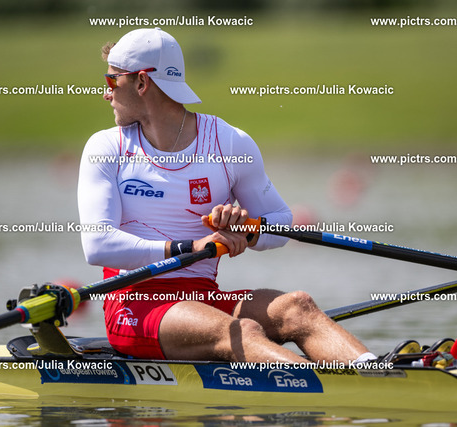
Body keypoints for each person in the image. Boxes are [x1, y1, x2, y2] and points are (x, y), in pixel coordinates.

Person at [78, 28, 374, 364]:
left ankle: (375, 373)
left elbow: (281, 223)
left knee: (298, 308)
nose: (106, 93)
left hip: (204, 300)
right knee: (241, 331)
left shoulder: (229, 142)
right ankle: (330, 386)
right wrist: (191, 247)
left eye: (111, 80)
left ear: (142, 82)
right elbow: (98, 245)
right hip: (135, 306)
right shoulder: (107, 148)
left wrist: (246, 230)